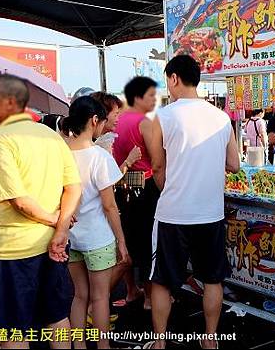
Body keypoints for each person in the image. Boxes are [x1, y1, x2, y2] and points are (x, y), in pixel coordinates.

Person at [0, 74, 82, 349]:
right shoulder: (51, 136)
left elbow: (19, 200)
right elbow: (73, 187)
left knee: (11, 329)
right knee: (56, 317)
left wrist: (56, 221)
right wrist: (60, 229)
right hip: (52, 246)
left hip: (11, 250)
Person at [148, 55, 239, 350]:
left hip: (173, 213)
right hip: (210, 213)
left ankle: (160, 342)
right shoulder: (221, 117)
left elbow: (158, 167)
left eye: (167, 80)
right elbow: (235, 164)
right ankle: (210, 339)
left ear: (174, 78)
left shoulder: (163, 117)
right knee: (212, 279)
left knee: (162, 280)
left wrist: (170, 189)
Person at [64, 96, 128, 350]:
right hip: (98, 238)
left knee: (79, 296)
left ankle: (78, 345)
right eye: (102, 121)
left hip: (70, 236)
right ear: (94, 120)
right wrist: (121, 240)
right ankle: (103, 346)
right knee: (100, 297)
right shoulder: (99, 156)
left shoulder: (62, 153)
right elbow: (109, 205)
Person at [89, 91, 143, 304]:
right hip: (100, 216)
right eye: (115, 113)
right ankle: (95, 307)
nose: (119, 117)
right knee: (123, 259)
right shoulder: (101, 146)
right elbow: (108, 183)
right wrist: (129, 161)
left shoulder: (93, 142)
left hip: (90, 218)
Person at [113, 77, 159, 310]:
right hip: (145, 186)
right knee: (147, 242)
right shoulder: (144, 122)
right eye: (150, 96)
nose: (154, 100)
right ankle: (149, 297)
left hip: (120, 185)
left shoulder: (115, 120)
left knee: (127, 239)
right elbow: (157, 161)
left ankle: (131, 290)